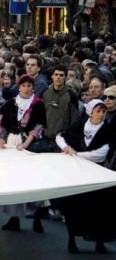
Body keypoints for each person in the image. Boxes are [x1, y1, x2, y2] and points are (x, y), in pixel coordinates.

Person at [55, 99, 116, 253]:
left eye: (103, 112)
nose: (101, 115)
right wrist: (66, 147)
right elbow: (60, 136)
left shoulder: (107, 130)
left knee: (99, 209)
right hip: (77, 173)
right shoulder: (80, 125)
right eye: (98, 111)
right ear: (90, 112)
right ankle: (72, 239)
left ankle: (99, 241)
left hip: (97, 173)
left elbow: (101, 154)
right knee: (73, 206)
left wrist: (77, 154)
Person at [0, 74, 49, 233]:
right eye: (23, 85)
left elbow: (38, 127)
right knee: (14, 181)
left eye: (29, 85)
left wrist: (26, 143)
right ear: (19, 87)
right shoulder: (11, 103)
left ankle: (37, 217)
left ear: (33, 87)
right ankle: (14, 218)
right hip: (12, 142)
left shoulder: (37, 104)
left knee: (32, 180)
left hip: (28, 144)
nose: (26, 88)